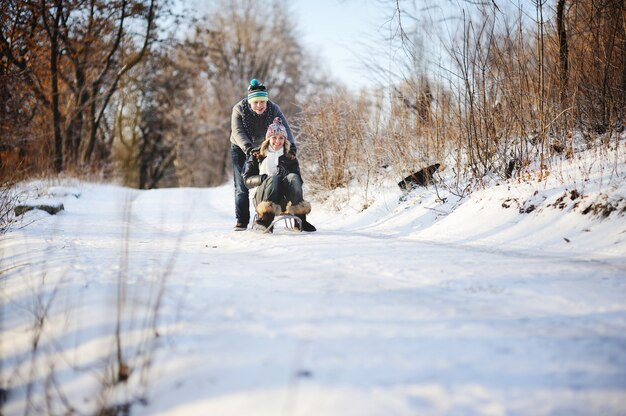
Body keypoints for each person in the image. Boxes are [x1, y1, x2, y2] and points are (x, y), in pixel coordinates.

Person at [229, 79, 296, 231]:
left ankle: (265, 214)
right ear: (250, 102)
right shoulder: (239, 109)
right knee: (241, 184)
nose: (259, 106)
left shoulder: (273, 109)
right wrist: (248, 148)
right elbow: (237, 131)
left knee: (267, 177)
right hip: (240, 147)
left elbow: (286, 128)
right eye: (256, 102)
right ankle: (242, 220)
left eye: (262, 102)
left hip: (263, 146)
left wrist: (291, 147)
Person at [242, 117, 316, 232]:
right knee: (274, 178)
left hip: (285, 200)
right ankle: (266, 219)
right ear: (268, 139)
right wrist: (263, 178)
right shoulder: (257, 155)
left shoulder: (289, 157)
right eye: (274, 137)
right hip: (262, 198)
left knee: (293, 177)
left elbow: (298, 182)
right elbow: (247, 181)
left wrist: (286, 175)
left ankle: (300, 219)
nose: (278, 141)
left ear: (285, 140)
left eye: (281, 138)